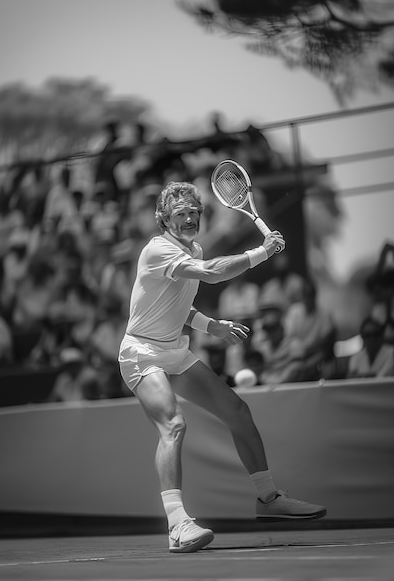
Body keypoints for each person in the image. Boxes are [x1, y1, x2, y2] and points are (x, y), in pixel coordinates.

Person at [118, 181, 326, 554]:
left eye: (193, 213)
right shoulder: (157, 250)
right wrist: (261, 253)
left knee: (237, 411)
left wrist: (209, 325)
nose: (188, 219)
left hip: (175, 351)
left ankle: (268, 497)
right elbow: (212, 273)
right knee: (174, 424)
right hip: (141, 354)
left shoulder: (192, 249)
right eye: (180, 213)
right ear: (164, 218)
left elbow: (177, 305)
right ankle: (177, 523)